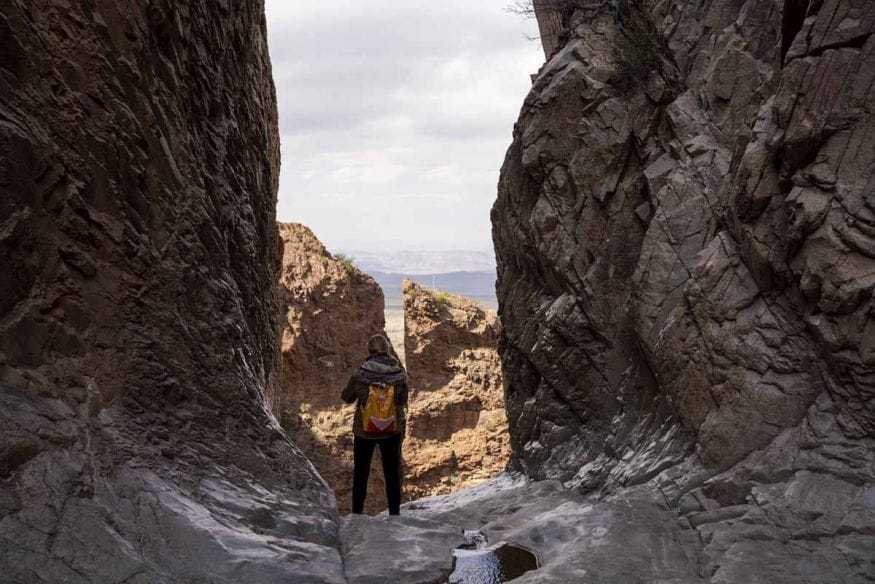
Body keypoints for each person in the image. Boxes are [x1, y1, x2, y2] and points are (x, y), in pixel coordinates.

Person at [341, 334, 408, 515]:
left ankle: (357, 514)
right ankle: (394, 514)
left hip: (364, 430)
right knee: (392, 473)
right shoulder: (399, 375)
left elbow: (347, 397)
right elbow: (402, 401)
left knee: (361, 473)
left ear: (369, 351)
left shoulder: (360, 374)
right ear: (387, 350)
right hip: (391, 430)